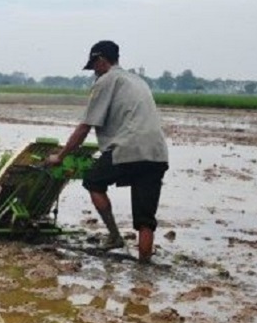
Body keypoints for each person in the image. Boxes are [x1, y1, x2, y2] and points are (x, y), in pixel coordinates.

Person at [46, 40, 168, 262]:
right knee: (145, 219)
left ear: (101, 60)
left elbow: (85, 126)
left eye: (94, 66)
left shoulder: (106, 80)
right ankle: (144, 268)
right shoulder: (138, 81)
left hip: (129, 148)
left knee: (93, 181)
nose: (94, 72)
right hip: (157, 153)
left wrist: (60, 156)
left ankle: (114, 236)